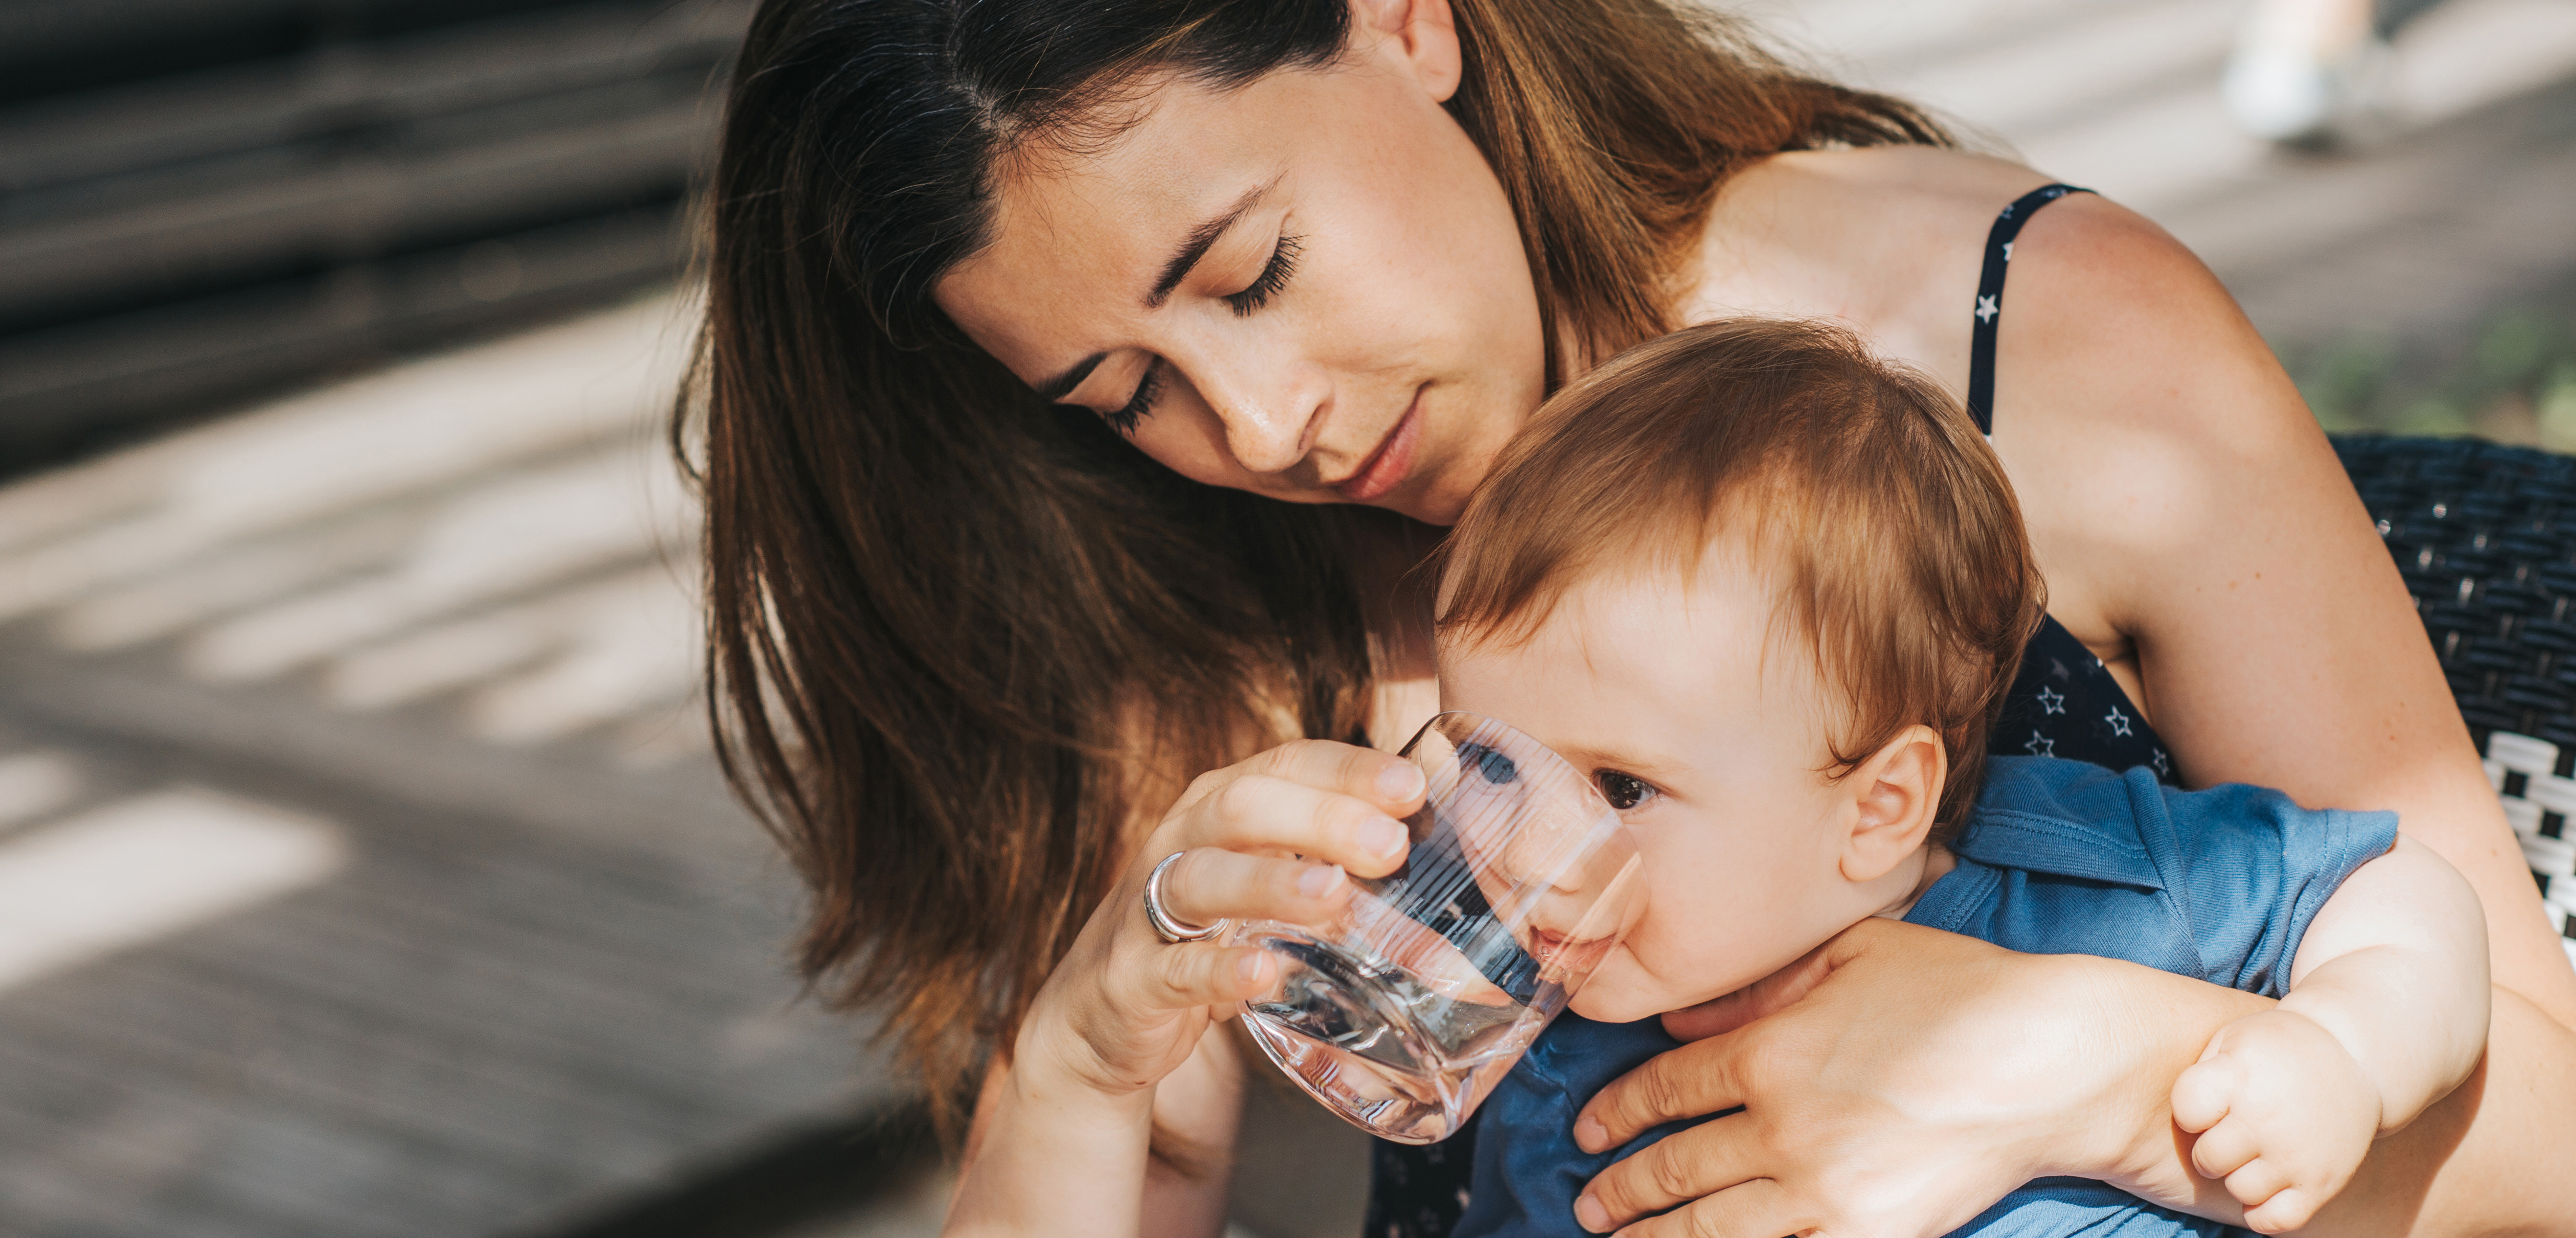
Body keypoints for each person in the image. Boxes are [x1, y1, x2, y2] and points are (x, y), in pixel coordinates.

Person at [678, 1, 2576, 1235]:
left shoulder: (2031, 344)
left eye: (1253, 270)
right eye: (1120, 390)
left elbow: (2545, 1134)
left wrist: (2066, 1067)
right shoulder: (1184, 585)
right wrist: (1090, 1043)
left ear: (1403, 21)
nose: (1256, 427)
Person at [1428, 317, 2491, 1238]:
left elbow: (2398, 889)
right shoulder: (1559, 1070)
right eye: (1489, 760)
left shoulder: (2096, 880)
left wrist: (2345, 1044)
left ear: (1879, 805)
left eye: (1622, 788)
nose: (1527, 851)